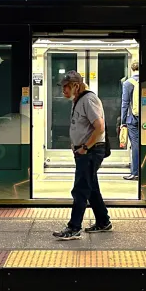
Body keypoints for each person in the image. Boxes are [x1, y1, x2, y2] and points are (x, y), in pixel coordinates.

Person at [53, 70, 113, 240]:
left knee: (80, 189)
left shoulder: (88, 99)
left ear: (76, 86)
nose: (63, 90)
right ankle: (103, 221)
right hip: (84, 150)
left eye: (66, 87)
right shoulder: (78, 100)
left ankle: (74, 227)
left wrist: (85, 147)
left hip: (91, 151)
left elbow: (99, 127)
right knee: (91, 187)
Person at [120, 61, 140, 180]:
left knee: (135, 144)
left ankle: (135, 172)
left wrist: (123, 121)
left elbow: (125, 103)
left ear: (132, 70)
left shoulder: (128, 83)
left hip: (132, 118)